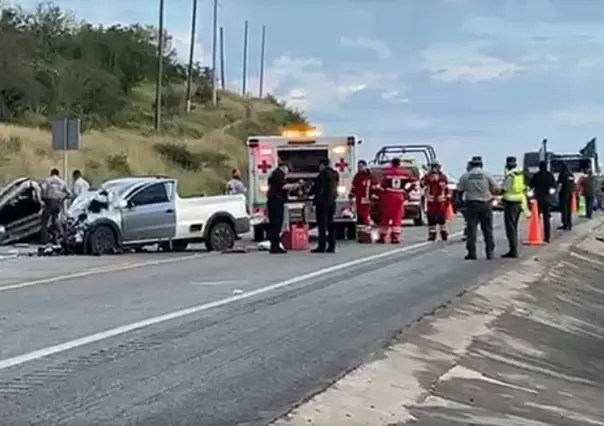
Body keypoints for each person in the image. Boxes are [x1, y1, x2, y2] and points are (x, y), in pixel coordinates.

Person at [457, 156, 498, 260]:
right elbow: (496, 188)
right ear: (481, 164)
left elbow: (459, 191)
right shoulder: (487, 174)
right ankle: (489, 252)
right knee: (487, 229)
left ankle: (472, 253)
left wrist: (461, 203)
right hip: (485, 204)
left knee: (471, 229)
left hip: (471, 204)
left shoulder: (465, 176)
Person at [266, 163, 301, 254]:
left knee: (275, 224)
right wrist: (296, 185)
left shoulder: (275, 174)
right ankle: (275, 246)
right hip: (276, 201)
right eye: (287, 170)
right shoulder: (278, 174)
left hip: (273, 201)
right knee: (276, 224)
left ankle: (274, 245)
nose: (287, 172)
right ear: (284, 167)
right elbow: (283, 186)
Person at [378, 157, 412, 244]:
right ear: (399, 164)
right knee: (397, 216)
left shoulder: (387, 173)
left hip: (388, 195)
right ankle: (395, 237)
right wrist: (406, 191)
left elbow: (382, 186)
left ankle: (382, 237)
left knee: (385, 216)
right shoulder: (405, 173)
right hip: (399, 196)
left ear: (392, 164)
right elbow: (414, 183)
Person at [309, 159, 340, 253]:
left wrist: (313, 200)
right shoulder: (335, 174)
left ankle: (321, 246)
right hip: (332, 202)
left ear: (322, 165)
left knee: (322, 225)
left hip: (323, 202)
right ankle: (331, 246)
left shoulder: (322, 174)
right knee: (331, 224)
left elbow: (319, 189)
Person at [501, 156, 527, 258]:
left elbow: (504, 189)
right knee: (514, 226)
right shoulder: (520, 174)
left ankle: (513, 250)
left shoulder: (510, 175)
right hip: (519, 201)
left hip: (510, 202)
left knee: (510, 228)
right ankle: (514, 249)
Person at [40, 168, 71, 243]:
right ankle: (61, 235)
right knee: (55, 219)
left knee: (44, 221)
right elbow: (69, 194)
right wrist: (63, 198)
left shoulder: (47, 180)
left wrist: (42, 198)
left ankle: (44, 239)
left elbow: (42, 188)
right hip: (57, 203)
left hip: (49, 202)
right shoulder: (62, 182)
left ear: (51, 174)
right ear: (58, 174)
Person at [421, 160, 449, 241]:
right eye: (432, 167)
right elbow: (422, 184)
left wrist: (447, 198)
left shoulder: (442, 176)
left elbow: (445, 187)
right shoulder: (427, 176)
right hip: (431, 201)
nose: (433, 169)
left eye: (435, 167)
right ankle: (432, 234)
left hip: (440, 201)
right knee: (431, 218)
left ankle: (443, 233)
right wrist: (428, 180)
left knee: (441, 218)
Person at [529, 161, 556, 243]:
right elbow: (554, 185)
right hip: (546, 198)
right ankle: (547, 237)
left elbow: (531, 185)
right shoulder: (549, 175)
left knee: (537, 218)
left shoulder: (536, 175)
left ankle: (537, 234)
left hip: (538, 198)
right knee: (546, 219)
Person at [349, 160, 378, 229]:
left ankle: (368, 225)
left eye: (361, 166)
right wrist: (351, 196)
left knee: (365, 212)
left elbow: (375, 186)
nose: (359, 168)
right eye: (358, 166)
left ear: (365, 166)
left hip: (367, 197)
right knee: (360, 212)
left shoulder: (370, 176)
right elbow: (354, 187)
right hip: (359, 198)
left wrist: (374, 195)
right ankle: (364, 226)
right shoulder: (357, 176)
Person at [557, 163, 575, 230]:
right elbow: (573, 184)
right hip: (570, 193)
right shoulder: (571, 175)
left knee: (564, 209)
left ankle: (565, 224)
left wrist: (557, 192)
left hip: (563, 193)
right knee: (569, 208)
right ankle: (569, 224)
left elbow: (559, 184)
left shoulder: (562, 175)